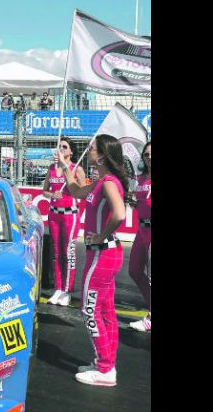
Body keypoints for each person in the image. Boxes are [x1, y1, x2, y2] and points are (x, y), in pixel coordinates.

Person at [54, 134, 129, 386]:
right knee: (106, 312)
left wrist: (101, 235)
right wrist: (65, 167)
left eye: (93, 148)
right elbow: (75, 190)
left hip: (103, 253)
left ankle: (105, 368)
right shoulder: (98, 182)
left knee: (90, 309)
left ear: (103, 155)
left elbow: (119, 214)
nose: (89, 150)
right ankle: (106, 364)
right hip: (103, 253)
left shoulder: (108, 181)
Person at [43, 136, 87, 307]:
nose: (60, 149)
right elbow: (45, 190)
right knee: (56, 252)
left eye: (64, 147)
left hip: (70, 215)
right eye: (59, 146)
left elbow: (83, 193)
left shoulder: (77, 169)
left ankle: (67, 291)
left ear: (71, 151)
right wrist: (51, 195)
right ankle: (58, 288)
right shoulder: (52, 169)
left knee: (68, 253)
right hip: (54, 214)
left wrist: (71, 186)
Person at [128, 141, 151, 332]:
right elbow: (140, 203)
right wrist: (133, 201)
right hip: (141, 230)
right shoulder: (142, 179)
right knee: (134, 270)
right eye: (146, 154)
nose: (149, 157)